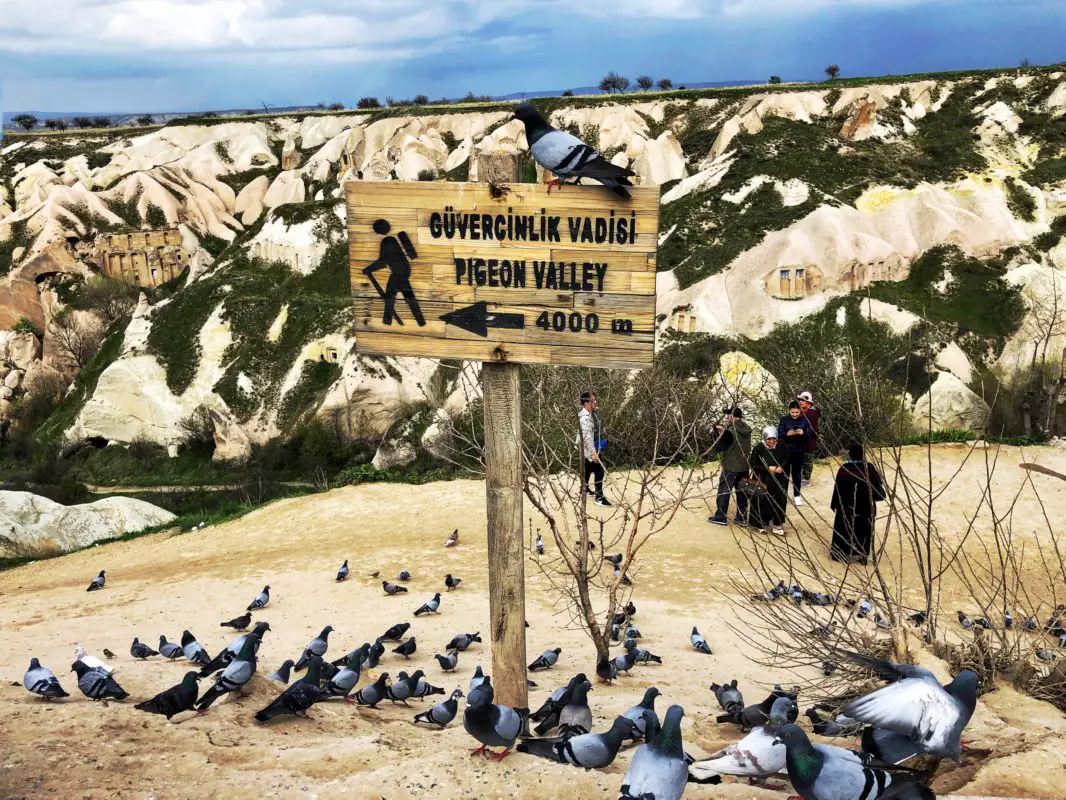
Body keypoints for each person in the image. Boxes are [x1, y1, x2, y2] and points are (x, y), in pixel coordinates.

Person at [830, 443, 887, 565]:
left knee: (844, 527)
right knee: (864, 529)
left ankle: (840, 554)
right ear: (862, 455)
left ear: (850, 455)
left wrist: (835, 503)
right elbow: (878, 486)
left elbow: (837, 488)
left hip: (846, 506)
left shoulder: (844, 469)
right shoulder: (869, 468)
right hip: (865, 506)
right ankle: (862, 555)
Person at [708, 406, 752, 526]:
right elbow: (732, 437)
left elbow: (719, 446)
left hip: (731, 467)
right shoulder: (746, 429)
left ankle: (720, 517)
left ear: (732, 417)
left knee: (724, 491)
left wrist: (716, 431)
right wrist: (722, 429)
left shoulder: (730, 432)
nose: (726, 418)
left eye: (728, 415)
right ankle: (741, 518)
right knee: (742, 492)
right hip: (744, 466)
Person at [746, 426, 788, 536]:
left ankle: (777, 524)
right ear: (764, 439)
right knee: (762, 500)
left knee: (779, 500)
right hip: (763, 478)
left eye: (774, 439)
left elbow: (787, 458)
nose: (771, 441)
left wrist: (781, 466)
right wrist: (768, 468)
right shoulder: (759, 448)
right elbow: (753, 464)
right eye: (769, 439)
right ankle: (760, 523)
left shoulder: (782, 445)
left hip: (779, 479)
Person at [778, 400, 812, 506]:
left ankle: (797, 496)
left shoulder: (805, 420)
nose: (795, 414)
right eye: (793, 412)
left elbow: (809, 435)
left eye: (797, 412)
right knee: (785, 474)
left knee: (797, 475)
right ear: (789, 410)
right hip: (786, 451)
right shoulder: (784, 419)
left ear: (800, 411)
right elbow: (779, 434)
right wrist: (787, 434)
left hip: (799, 451)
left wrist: (803, 432)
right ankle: (783, 496)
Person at [578, 392, 610, 507]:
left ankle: (585, 489)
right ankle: (599, 497)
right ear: (587, 403)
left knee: (588, 468)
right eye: (593, 400)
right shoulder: (585, 418)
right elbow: (587, 437)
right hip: (591, 449)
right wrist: (593, 453)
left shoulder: (591, 414)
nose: (595, 402)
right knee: (599, 472)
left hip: (593, 447)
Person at [797, 391, 822, 487]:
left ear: (808, 402)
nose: (800, 401)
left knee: (807, 461)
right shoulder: (804, 412)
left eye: (802, 400)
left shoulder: (811, 414)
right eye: (799, 399)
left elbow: (814, 430)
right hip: (802, 442)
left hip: (808, 442)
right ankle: (802, 477)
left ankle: (806, 480)